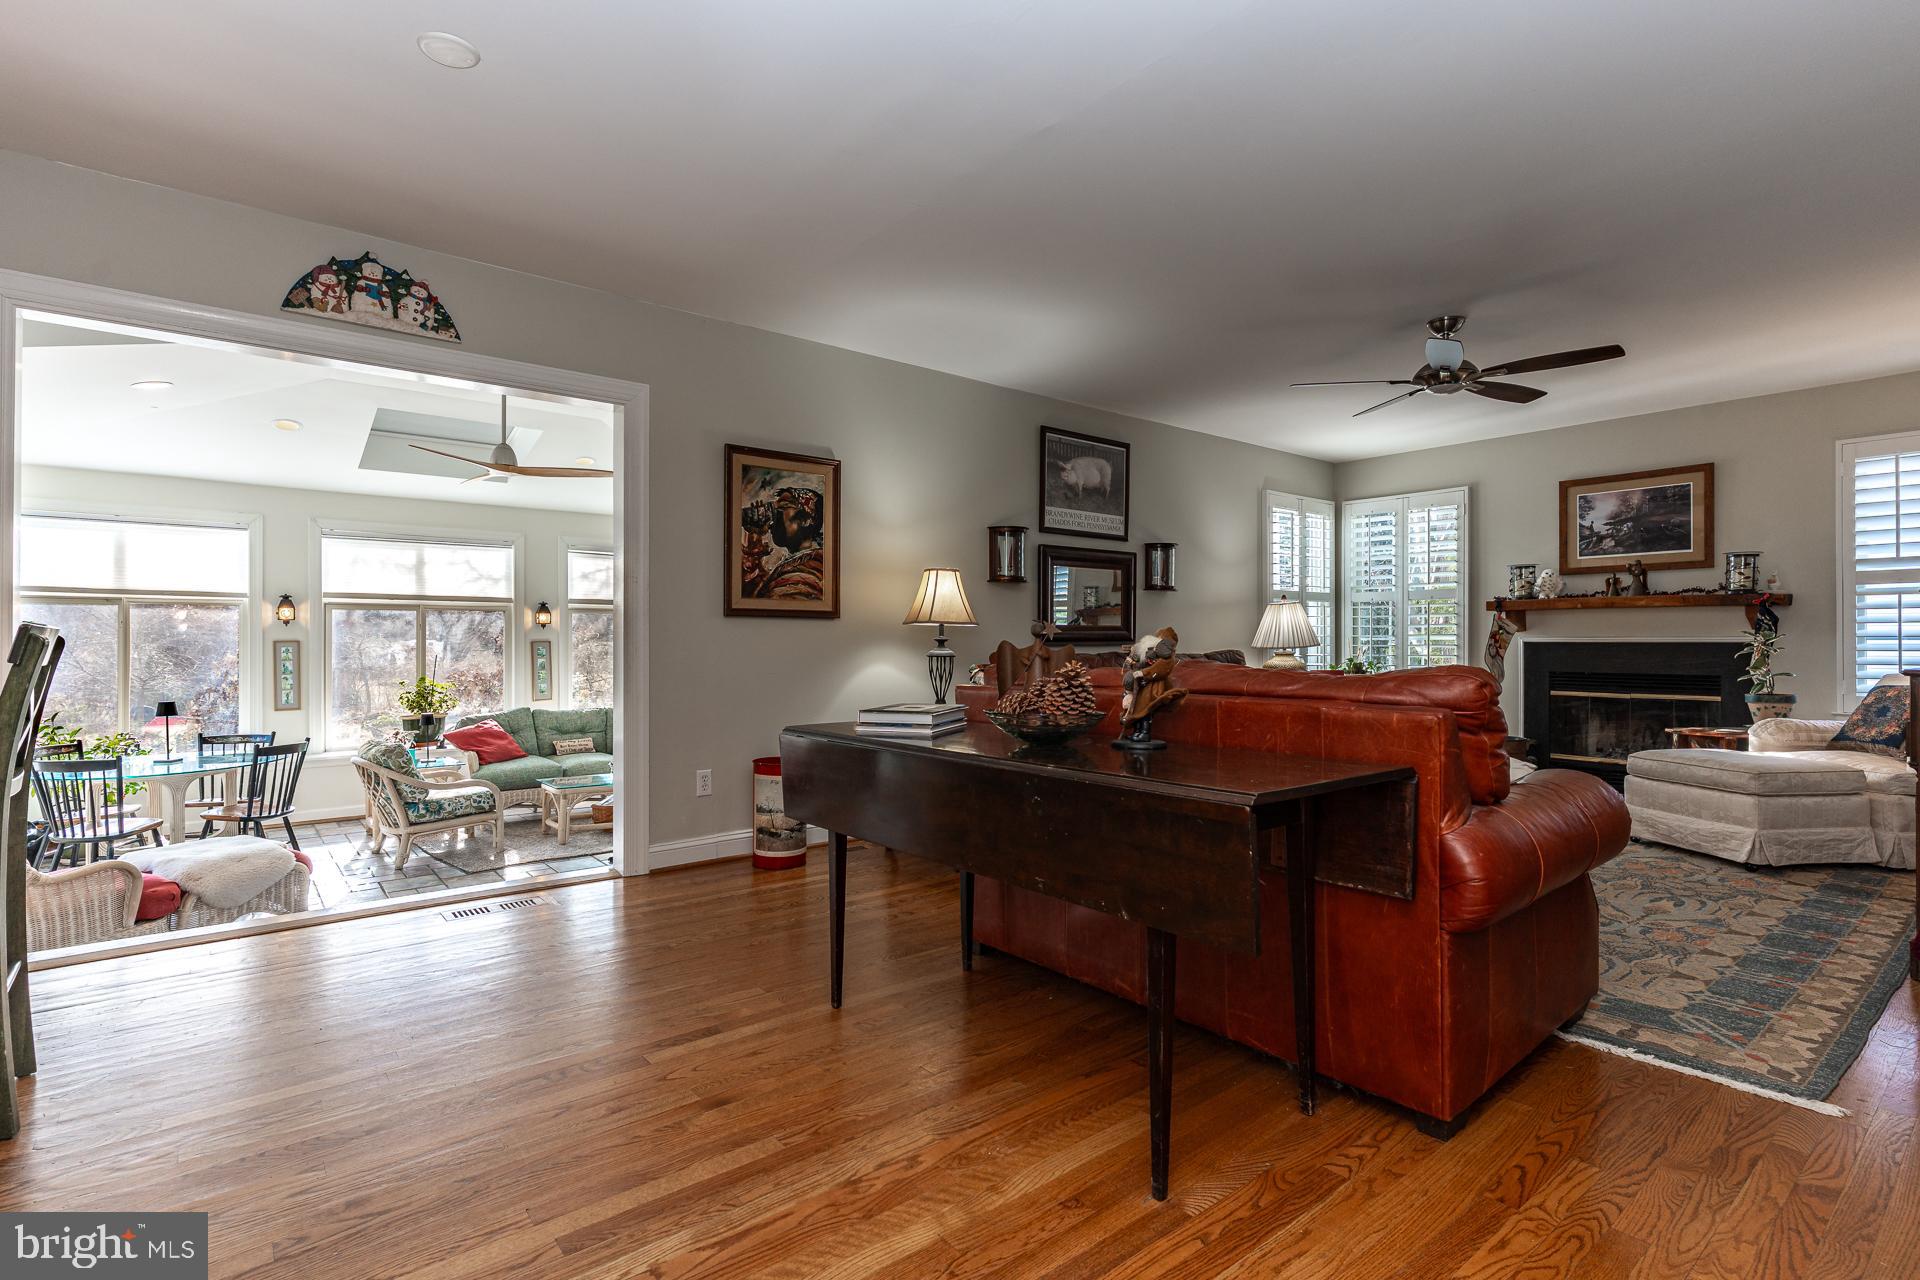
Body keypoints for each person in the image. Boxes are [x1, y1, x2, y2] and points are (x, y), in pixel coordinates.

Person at [743, 485, 825, 601]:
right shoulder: (800, 563)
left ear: (806, 520)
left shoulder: (808, 571)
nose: (773, 512)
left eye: (783, 506)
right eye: (774, 505)